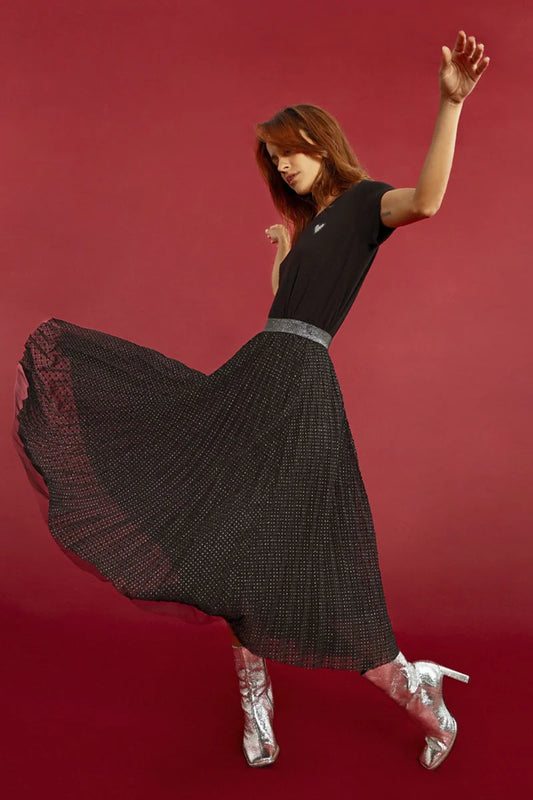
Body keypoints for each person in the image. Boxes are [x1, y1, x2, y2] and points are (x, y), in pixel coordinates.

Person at [12, 30, 489, 772]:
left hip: (299, 392)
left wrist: (448, 103)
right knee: (231, 544)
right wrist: (282, 258)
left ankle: (412, 687)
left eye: (288, 149)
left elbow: (425, 202)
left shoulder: (364, 206)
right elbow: (285, 312)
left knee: (304, 559)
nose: (281, 164)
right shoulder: (310, 232)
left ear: (319, 141)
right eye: (271, 158)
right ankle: (257, 705)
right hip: (258, 379)